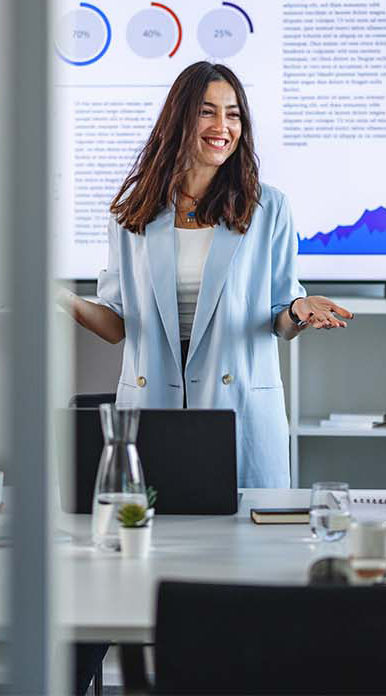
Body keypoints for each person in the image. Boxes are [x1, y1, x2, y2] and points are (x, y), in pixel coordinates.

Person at [61, 61, 351, 489]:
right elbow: (117, 324)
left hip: (239, 408)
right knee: (153, 538)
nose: (222, 126)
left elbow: (280, 319)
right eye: (207, 111)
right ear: (179, 118)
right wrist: (63, 300)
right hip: (154, 406)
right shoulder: (132, 213)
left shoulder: (269, 208)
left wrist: (299, 309)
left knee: (247, 547)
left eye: (233, 113)